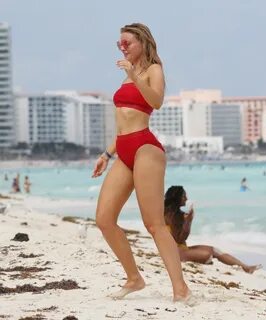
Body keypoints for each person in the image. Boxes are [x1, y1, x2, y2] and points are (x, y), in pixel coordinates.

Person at [92, 23, 193, 304]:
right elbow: (123, 122)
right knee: (104, 219)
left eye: (127, 43)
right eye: (119, 44)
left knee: (154, 224)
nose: (123, 48)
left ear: (142, 42)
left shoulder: (152, 70)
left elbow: (157, 101)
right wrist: (107, 154)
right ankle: (134, 278)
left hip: (146, 147)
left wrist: (133, 75)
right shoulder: (127, 77)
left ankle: (181, 289)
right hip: (122, 148)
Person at [164, 186, 262, 274]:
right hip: (176, 253)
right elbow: (179, 238)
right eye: (184, 196)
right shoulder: (169, 215)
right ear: (177, 198)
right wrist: (188, 221)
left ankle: (246, 267)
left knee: (215, 250)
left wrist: (188, 220)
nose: (186, 198)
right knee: (207, 256)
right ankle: (202, 260)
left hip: (182, 249)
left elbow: (182, 237)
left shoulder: (178, 214)